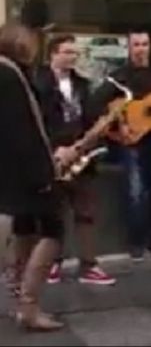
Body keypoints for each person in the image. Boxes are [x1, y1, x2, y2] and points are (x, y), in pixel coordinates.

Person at [0, 22, 77, 331]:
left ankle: (19, 298)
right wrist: (45, 173)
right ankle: (29, 307)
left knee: (24, 228)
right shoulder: (10, 77)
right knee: (53, 229)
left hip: (14, 172)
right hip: (28, 172)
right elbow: (24, 131)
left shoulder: (9, 73)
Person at [94, 29, 151, 261]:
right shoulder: (119, 76)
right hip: (131, 140)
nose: (141, 49)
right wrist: (118, 126)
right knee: (135, 190)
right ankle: (136, 242)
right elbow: (97, 103)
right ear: (129, 48)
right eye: (136, 45)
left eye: (145, 44)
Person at [34, 34, 116, 285]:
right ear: (53, 54)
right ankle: (51, 263)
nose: (73, 57)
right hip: (52, 156)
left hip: (82, 155)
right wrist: (55, 149)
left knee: (86, 212)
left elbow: (90, 118)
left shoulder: (83, 84)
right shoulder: (38, 83)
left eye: (75, 53)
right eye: (68, 52)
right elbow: (36, 122)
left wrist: (89, 139)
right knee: (54, 215)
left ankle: (89, 265)